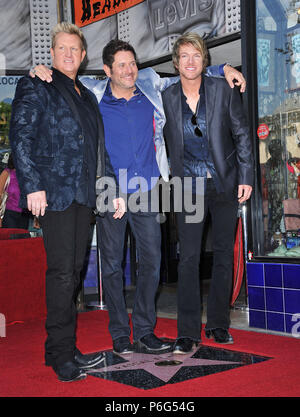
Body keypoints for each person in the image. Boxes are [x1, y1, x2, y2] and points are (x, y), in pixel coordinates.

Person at [31, 39, 246, 355]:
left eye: (132, 63)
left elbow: (187, 73)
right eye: (121, 65)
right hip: (110, 191)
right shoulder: (92, 92)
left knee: (152, 262)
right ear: (107, 70)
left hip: (148, 190)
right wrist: (41, 71)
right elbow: (64, 74)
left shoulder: (150, 87)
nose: (129, 70)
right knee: (113, 265)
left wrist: (223, 67)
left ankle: (145, 330)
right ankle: (120, 332)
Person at [9, 23, 105, 382]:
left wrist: (105, 189)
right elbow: (21, 136)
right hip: (54, 193)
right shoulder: (37, 83)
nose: (68, 54)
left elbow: (97, 149)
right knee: (63, 274)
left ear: (83, 55)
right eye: (62, 48)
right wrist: (33, 186)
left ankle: (59, 348)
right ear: (52, 53)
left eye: (74, 49)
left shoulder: (88, 95)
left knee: (74, 272)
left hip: (84, 196)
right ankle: (63, 354)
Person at [162, 33, 253, 353]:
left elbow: (242, 135)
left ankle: (218, 324)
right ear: (175, 63)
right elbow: (126, 79)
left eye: (196, 55)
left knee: (224, 256)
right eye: (184, 56)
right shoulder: (165, 96)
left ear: (205, 61)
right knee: (188, 258)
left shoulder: (223, 90)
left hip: (223, 182)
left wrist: (246, 176)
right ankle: (187, 331)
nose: (190, 61)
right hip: (187, 186)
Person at [0, 154, 29, 229]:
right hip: (9, 214)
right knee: (11, 239)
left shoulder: (27, 174)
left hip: (25, 214)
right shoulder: (7, 173)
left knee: (23, 239)